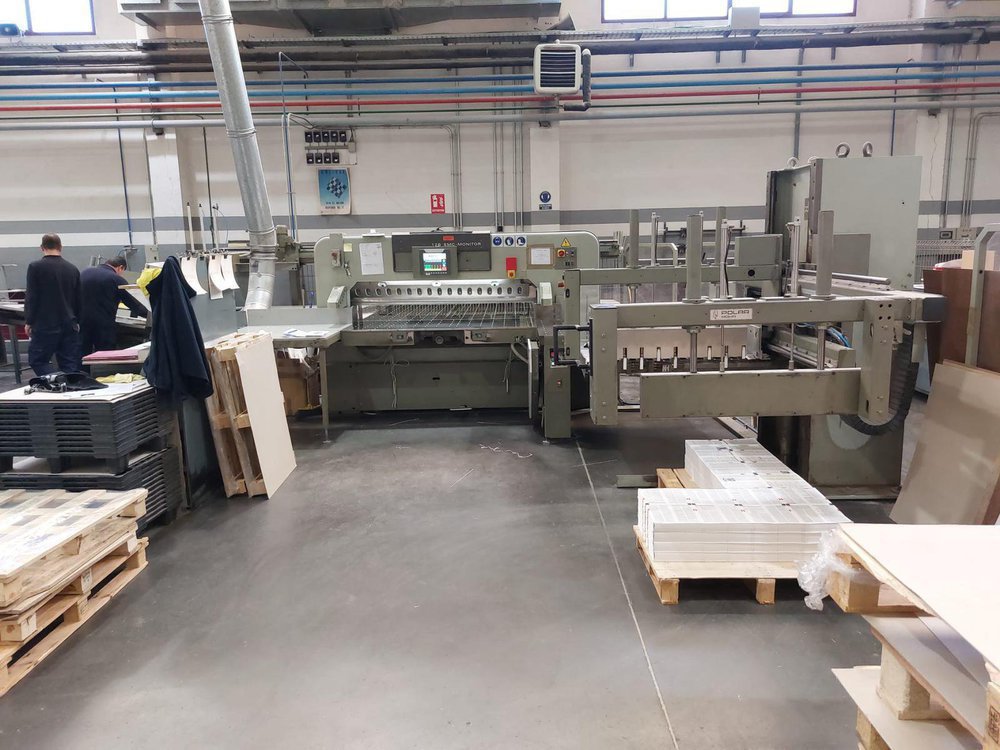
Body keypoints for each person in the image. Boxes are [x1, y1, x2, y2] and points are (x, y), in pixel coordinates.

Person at [24, 233, 82, 376]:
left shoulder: (35, 267)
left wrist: (29, 321)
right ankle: (70, 386)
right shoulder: (72, 269)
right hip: (69, 323)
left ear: (41, 247)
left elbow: (32, 296)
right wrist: (77, 321)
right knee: (69, 363)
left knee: (38, 360)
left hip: (45, 324)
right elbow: (78, 299)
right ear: (61, 247)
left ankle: (56, 382)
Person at [80, 256, 149, 356]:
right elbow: (134, 304)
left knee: (82, 354)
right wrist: (151, 315)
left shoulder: (85, 272)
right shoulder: (116, 279)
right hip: (103, 325)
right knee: (105, 356)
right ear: (120, 267)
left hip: (82, 322)